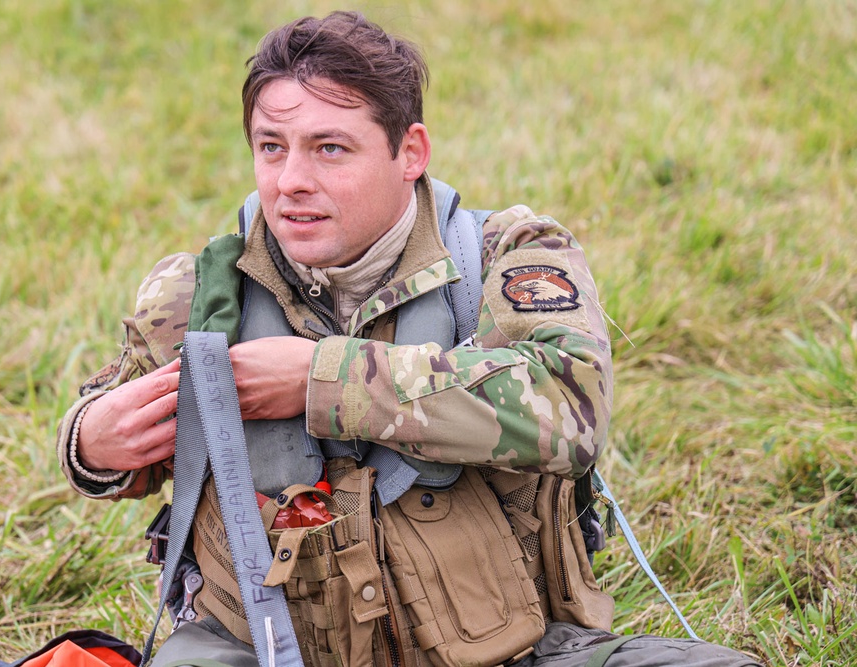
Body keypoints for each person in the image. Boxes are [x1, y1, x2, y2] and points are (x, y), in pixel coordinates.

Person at [57, 11, 760, 667]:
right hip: (258, 650)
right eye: (270, 147)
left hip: (513, 649)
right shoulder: (203, 295)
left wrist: (320, 381)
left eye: (330, 148)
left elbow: (569, 407)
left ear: (409, 152)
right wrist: (92, 441)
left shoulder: (504, 255)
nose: (291, 181)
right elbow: (108, 429)